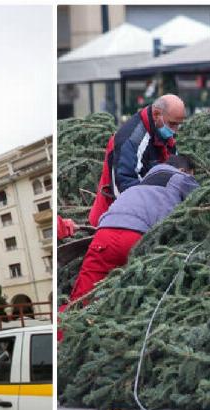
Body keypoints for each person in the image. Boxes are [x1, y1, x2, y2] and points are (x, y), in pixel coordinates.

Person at [69, 154, 199, 303]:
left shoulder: (136, 187)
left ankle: (67, 324)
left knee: (81, 299)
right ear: (183, 170)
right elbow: (202, 198)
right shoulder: (179, 177)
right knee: (137, 296)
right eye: (192, 175)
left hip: (103, 234)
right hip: (135, 236)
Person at [87, 94, 186, 227]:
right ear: (157, 114)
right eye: (173, 124)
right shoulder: (131, 140)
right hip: (114, 220)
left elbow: (172, 171)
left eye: (178, 125)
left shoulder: (162, 133)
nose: (175, 131)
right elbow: (123, 187)